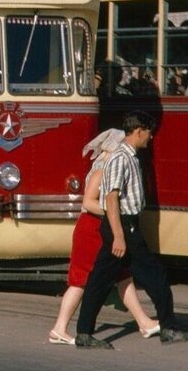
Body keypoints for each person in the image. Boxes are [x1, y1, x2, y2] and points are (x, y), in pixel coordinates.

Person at [75, 112, 188, 348]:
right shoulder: (121, 158)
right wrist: (120, 236)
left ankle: (84, 332)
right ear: (139, 130)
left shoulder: (130, 157)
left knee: (99, 280)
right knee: (156, 276)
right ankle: (169, 328)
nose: (151, 138)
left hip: (125, 225)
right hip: (124, 226)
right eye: (149, 133)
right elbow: (111, 198)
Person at [48, 129, 160, 345]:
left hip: (102, 227)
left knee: (122, 274)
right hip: (91, 229)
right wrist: (114, 212)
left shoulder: (110, 166)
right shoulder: (103, 169)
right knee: (81, 280)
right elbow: (88, 202)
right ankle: (59, 328)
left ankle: (144, 322)